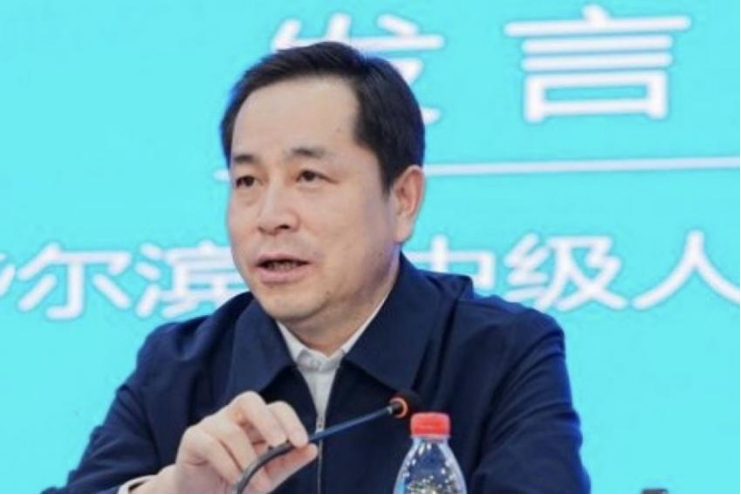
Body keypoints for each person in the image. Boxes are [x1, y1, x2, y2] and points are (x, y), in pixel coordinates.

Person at [45, 41, 590, 494]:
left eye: (308, 177)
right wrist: (175, 491)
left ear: (402, 200)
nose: (270, 216)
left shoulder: (502, 351)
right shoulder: (179, 366)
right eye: (247, 181)